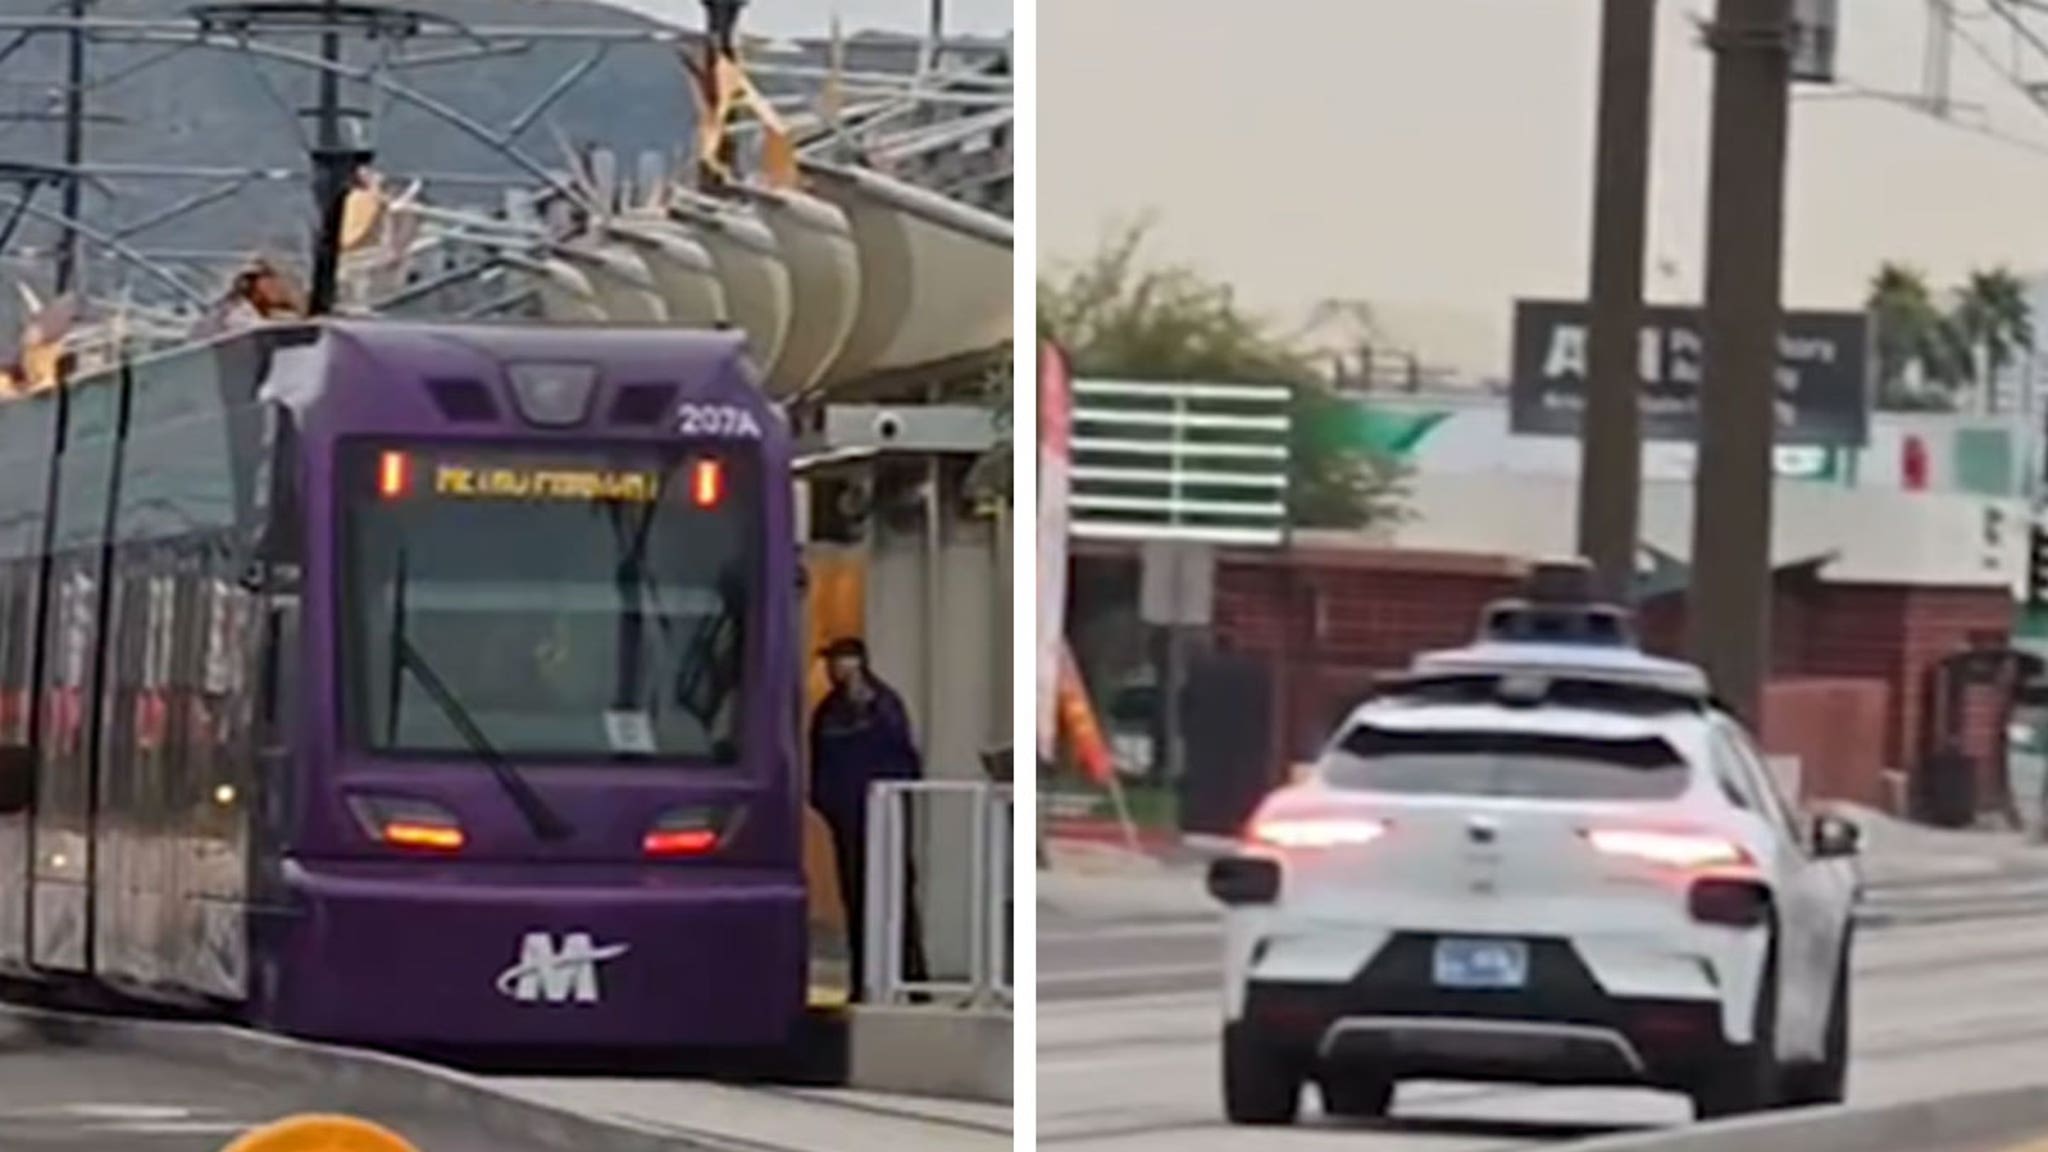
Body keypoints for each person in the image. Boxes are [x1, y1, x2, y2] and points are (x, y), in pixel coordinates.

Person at [809, 637, 929, 1000]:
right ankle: (864, 981)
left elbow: (903, 758)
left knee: (897, 899)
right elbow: (820, 763)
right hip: (847, 821)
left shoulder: (883, 704)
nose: (834, 670)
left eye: (841, 662)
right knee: (856, 901)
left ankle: (915, 980)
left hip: (884, 819)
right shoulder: (828, 711)